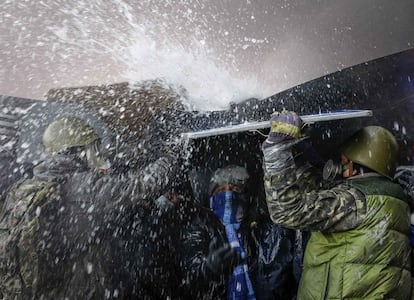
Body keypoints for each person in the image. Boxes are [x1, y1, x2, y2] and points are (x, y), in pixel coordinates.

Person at [261, 111, 411, 299]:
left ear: (354, 165)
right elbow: (319, 193)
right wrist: (296, 155)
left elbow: (287, 211)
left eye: (343, 161)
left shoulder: (354, 201)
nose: (340, 166)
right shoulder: (391, 199)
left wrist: (276, 151)